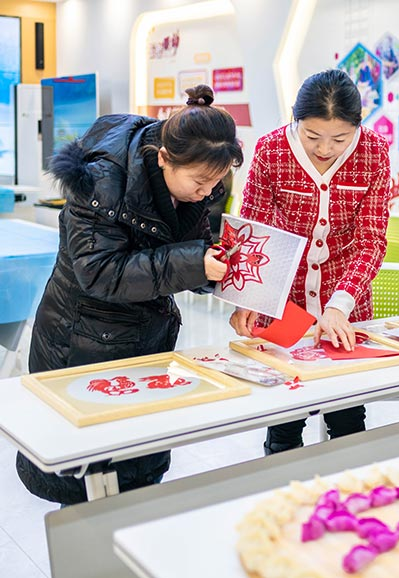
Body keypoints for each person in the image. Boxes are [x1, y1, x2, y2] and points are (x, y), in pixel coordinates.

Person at [18, 85, 243, 505]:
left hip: (145, 338)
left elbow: (186, 249)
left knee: (137, 472)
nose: (207, 191)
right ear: (163, 158)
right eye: (199, 181)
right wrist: (196, 263)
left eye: (216, 182)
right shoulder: (99, 181)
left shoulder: (198, 180)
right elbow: (100, 273)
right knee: (89, 481)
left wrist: (218, 273)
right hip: (83, 341)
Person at [229, 69, 391, 454]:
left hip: (346, 304)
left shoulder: (373, 153)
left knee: (348, 419)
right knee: (285, 420)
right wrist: (247, 299)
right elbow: (252, 229)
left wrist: (339, 306)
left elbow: (370, 241)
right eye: (313, 136)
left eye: (339, 138)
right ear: (295, 118)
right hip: (282, 302)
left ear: (357, 126)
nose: (325, 148)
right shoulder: (272, 151)